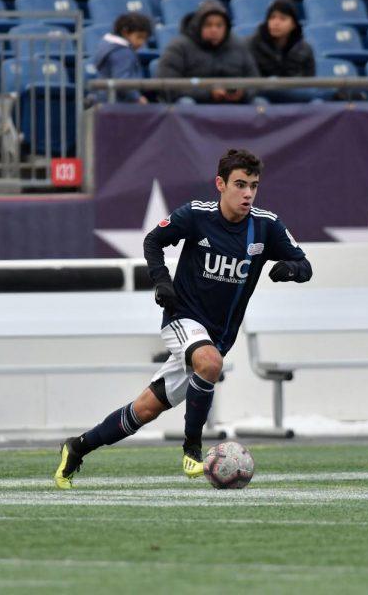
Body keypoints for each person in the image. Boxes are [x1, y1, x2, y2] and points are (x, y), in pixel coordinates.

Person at [54, 148, 312, 489]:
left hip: (218, 336)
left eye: (253, 185)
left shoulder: (266, 227)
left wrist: (289, 269)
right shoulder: (196, 215)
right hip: (183, 319)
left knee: (144, 410)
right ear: (220, 184)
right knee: (209, 363)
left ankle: (77, 447)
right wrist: (161, 281)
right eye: (239, 184)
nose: (247, 193)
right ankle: (192, 449)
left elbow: (306, 266)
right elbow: (153, 241)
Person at [156, 0, 260, 104]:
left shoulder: (239, 46)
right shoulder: (178, 46)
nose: (214, 30)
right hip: (197, 105)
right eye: (208, 25)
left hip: (234, 105)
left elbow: (255, 81)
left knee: (259, 103)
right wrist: (208, 94)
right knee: (185, 103)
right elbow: (168, 86)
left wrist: (244, 93)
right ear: (198, 25)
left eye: (219, 25)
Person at [248, 0, 316, 103]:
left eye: (282, 19)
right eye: (272, 17)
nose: (276, 23)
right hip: (265, 93)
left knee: (316, 103)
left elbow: (310, 82)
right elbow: (251, 82)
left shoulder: (305, 49)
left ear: (293, 25)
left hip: (296, 96)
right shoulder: (252, 44)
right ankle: (333, 93)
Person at [93, 12, 153, 104]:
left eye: (144, 39)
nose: (141, 43)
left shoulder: (109, 47)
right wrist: (137, 98)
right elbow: (122, 81)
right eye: (139, 37)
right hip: (119, 105)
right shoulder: (122, 52)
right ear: (125, 32)